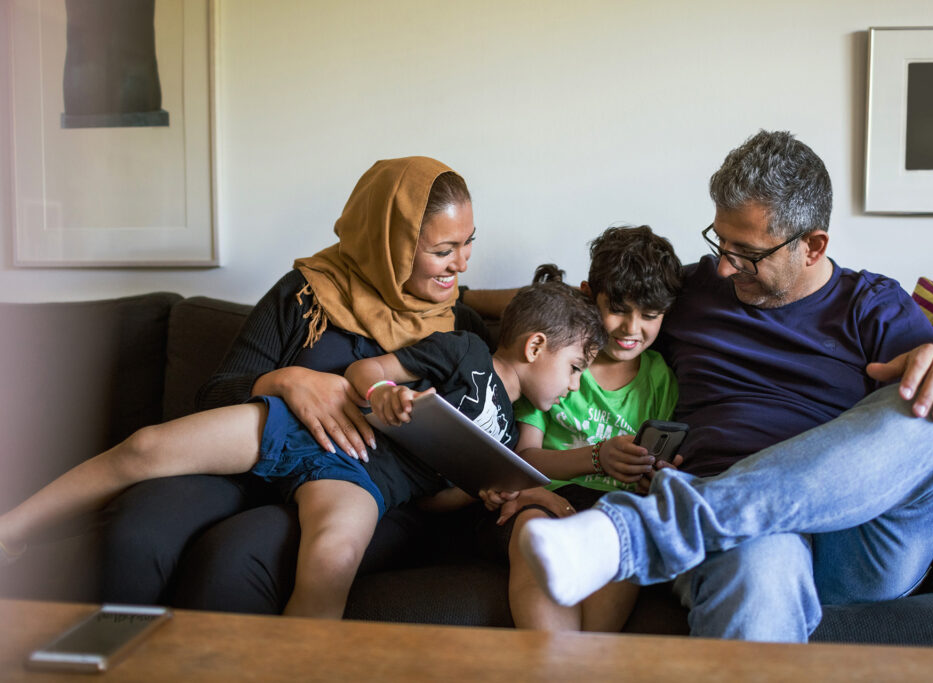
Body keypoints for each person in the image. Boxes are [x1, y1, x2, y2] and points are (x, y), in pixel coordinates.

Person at [518, 130, 933, 643]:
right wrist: (453, 302)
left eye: (746, 253)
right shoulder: (695, 291)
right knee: (758, 554)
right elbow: (580, 307)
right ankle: (690, 524)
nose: (723, 266)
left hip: (855, 540)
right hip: (743, 539)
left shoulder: (873, 306)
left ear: (813, 246)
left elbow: (922, 422)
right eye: (719, 244)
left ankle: (638, 535)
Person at [0, 281, 608, 619]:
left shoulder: (504, 437)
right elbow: (370, 368)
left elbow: (434, 501)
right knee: (147, 445)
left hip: (366, 485)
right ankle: (13, 529)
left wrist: (481, 491)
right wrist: (389, 396)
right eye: (577, 367)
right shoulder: (462, 351)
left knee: (331, 562)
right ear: (534, 348)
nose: (577, 383)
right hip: (306, 426)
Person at [95, 156, 494, 613]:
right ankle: (103, 661)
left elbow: (484, 434)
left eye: (468, 243)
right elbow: (210, 397)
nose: (461, 263)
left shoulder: (459, 329)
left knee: (236, 558)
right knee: (137, 530)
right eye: (444, 250)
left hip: (366, 496)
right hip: (252, 465)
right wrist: (285, 380)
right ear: (391, 245)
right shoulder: (306, 292)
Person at [480, 226, 683, 632]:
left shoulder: (661, 378)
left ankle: (576, 665)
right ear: (590, 294)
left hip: (619, 510)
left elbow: (660, 461)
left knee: (633, 538)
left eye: (650, 315)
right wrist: (598, 456)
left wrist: (658, 478)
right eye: (619, 309)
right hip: (547, 500)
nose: (631, 328)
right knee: (530, 526)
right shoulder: (556, 363)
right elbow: (525, 458)